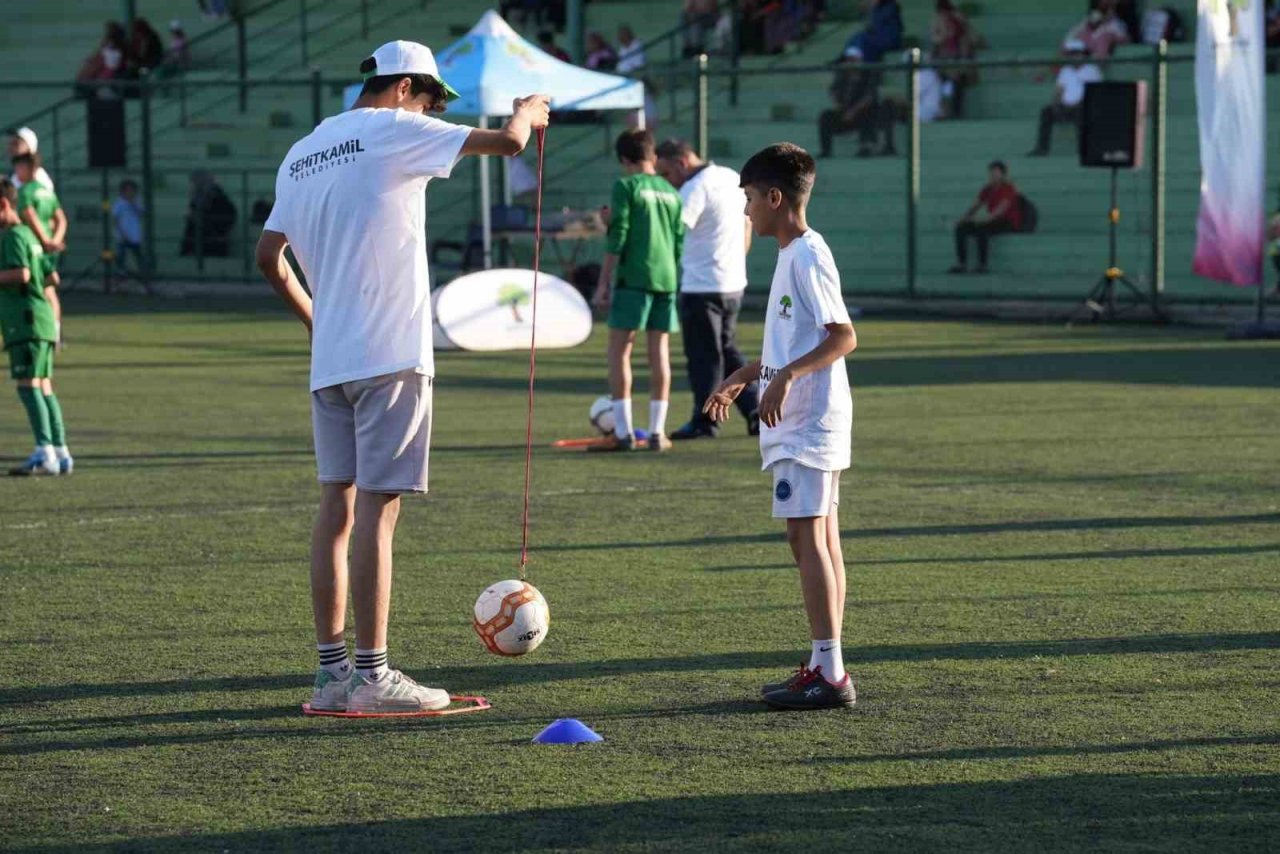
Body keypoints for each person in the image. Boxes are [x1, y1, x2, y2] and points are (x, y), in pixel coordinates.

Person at [255, 39, 549, 713]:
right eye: (429, 97)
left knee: (337, 509)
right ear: (404, 86)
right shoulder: (394, 126)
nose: (430, 111)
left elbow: (269, 257)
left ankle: (331, 679)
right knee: (378, 516)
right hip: (390, 353)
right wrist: (528, 110)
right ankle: (374, 676)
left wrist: (317, 320)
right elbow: (507, 144)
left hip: (332, 359)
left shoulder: (302, 150)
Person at [704, 143, 856, 711]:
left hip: (807, 423)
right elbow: (791, 343)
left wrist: (787, 378)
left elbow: (843, 336)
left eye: (748, 199)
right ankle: (824, 664)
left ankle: (831, 672)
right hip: (801, 422)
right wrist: (744, 375)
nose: (746, 211)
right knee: (821, 540)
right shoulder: (792, 254)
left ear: (774, 197)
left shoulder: (808, 255)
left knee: (806, 539)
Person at [654, 138, 760, 440]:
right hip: (733, 282)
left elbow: (673, 230)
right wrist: (737, 261)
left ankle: (705, 421)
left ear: (681, 163)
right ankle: (755, 410)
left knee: (704, 356)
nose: (667, 182)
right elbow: (748, 226)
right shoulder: (729, 177)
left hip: (702, 284)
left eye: (666, 173)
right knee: (726, 350)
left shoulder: (693, 188)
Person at [590, 130, 683, 453]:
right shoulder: (671, 191)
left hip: (634, 276)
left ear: (624, 160)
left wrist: (603, 282)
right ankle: (658, 433)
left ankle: (625, 433)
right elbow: (678, 239)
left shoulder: (625, 186)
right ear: (652, 156)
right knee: (660, 354)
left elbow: (620, 236)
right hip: (666, 278)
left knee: (620, 351)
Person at [0, 179, 72, 477]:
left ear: (4, 205)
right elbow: (51, 278)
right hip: (41, 318)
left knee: (28, 386)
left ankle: (45, 453)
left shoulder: (12, 235)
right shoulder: (30, 234)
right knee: (43, 385)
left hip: (25, 322)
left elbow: (22, 273)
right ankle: (61, 451)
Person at [12, 155, 65, 338]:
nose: (17, 172)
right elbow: (61, 219)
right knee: (49, 289)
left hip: (33, 247)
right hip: (48, 248)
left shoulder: (25, 191)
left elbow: (29, 215)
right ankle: (55, 332)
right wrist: (55, 241)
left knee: (34, 291)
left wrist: (44, 241)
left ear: (29, 168)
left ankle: (40, 332)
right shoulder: (47, 192)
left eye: (19, 167)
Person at [1027, 40, 1101, 156]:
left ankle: (1085, 149)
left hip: (1083, 107)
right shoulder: (1065, 71)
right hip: (1065, 107)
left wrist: (1079, 103)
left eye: (1076, 54)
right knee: (1046, 112)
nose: (1073, 57)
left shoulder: (1092, 70)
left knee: (1081, 112)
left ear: (1082, 54)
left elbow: (1094, 93)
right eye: (1071, 54)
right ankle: (1042, 149)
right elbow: (1058, 91)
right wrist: (1056, 103)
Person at [949, 160, 1023, 274]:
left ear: (1003, 175)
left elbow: (999, 212)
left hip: (1007, 222)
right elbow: (975, 207)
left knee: (982, 228)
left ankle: (983, 265)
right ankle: (962, 264)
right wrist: (963, 219)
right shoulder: (987, 189)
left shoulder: (1008, 189)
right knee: (961, 228)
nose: (992, 176)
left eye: (995, 174)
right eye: (991, 173)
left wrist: (980, 220)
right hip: (992, 220)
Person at [817, 47, 893, 158]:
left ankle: (866, 146)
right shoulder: (842, 76)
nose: (850, 63)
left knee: (868, 112)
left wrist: (852, 111)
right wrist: (837, 103)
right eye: (848, 60)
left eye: (853, 60)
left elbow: (869, 97)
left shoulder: (868, 75)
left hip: (862, 112)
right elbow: (833, 91)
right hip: (846, 112)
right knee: (826, 116)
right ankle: (826, 150)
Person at [930, 0, 978, 118]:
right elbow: (935, 41)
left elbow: (973, 42)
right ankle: (942, 110)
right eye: (942, 15)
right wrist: (943, 35)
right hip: (943, 68)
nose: (945, 18)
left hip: (959, 68)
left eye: (947, 14)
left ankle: (954, 112)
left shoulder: (962, 33)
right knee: (944, 82)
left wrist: (964, 25)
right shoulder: (938, 27)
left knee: (955, 81)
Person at [180, 171, 237, 257]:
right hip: (208, 245)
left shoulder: (218, 201)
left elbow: (222, 226)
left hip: (212, 245)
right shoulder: (200, 198)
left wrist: (199, 219)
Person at [1065, 6, 1130, 59]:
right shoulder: (1084, 27)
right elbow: (1069, 39)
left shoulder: (1110, 28)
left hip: (1099, 60)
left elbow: (1125, 39)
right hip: (1085, 56)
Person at [112, 179, 145, 281]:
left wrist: (133, 203)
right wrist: (122, 233)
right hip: (123, 236)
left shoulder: (137, 202)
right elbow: (115, 220)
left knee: (138, 255)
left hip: (135, 236)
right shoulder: (119, 203)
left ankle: (142, 274)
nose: (130, 193)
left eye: (132, 190)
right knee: (121, 256)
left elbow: (141, 213)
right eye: (127, 190)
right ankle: (122, 274)